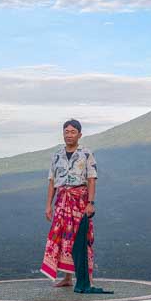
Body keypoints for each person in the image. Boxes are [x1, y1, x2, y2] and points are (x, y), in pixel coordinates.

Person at [41, 119, 100, 289]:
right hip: (62, 199)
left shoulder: (86, 154)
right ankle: (67, 277)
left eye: (73, 132)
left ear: (79, 135)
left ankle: (87, 278)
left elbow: (91, 179)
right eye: (66, 131)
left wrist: (91, 202)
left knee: (82, 237)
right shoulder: (57, 156)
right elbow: (52, 182)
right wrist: (48, 205)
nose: (69, 135)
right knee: (62, 237)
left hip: (80, 199)